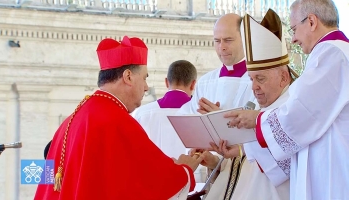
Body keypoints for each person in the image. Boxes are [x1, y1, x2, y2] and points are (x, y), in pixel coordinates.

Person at [34, 36, 203, 200]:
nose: (146, 87)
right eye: (144, 78)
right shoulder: (115, 121)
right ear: (128, 76)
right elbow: (148, 185)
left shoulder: (75, 117)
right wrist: (185, 170)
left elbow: (51, 180)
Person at [226, 1, 349, 199]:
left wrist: (256, 120)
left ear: (311, 21)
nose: (293, 39)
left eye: (294, 29)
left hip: (332, 175)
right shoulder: (335, 52)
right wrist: (244, 146)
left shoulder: (332, 53)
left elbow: (302, 114)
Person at [192, 9, 293, 200]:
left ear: (283, 77)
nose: (254, 87)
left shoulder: (290, 109)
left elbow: (283, 165)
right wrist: (232, 153)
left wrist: (231, 130)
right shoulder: (267, 106)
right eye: (252, 79)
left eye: (260, 79)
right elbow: (247, 167)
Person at [131, 60, 197, 159]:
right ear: (193, 84)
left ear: (166, 82)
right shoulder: (201, 114)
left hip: (153, 174)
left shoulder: (141, 113)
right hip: (193, 174)